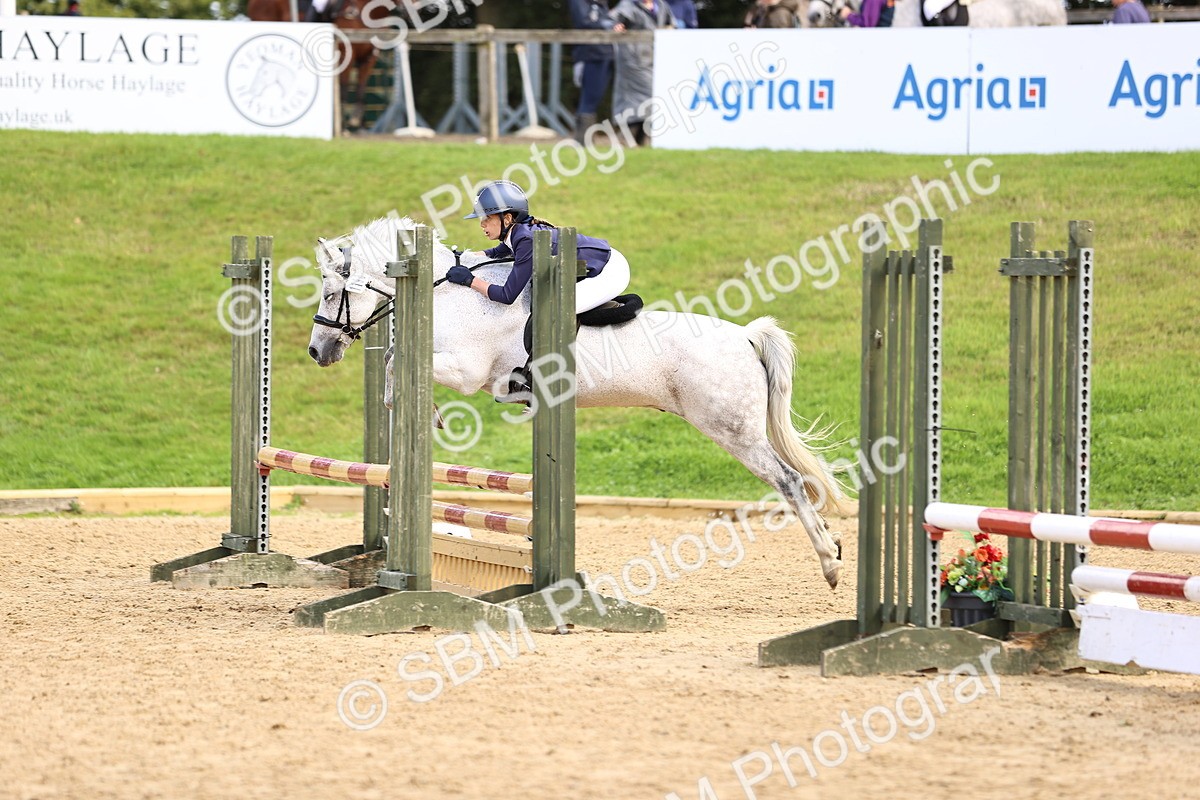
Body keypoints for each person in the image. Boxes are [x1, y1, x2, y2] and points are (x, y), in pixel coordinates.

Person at [448, 181, 631, 400]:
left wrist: (470, 280)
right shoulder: (516, 233)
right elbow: (497, 252)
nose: (481, 224)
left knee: (551, 310)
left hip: (610, 272)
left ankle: (541, 382)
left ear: (507, 218)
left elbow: (507, 296)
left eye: (487, 218)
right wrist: (463, 258)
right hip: (603, 261)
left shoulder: (524, 237)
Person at [609, 0, 676, 147]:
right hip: (632, 59)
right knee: (638, 100)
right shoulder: (628, 5)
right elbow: (611, 20)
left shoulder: (661, 5)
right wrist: (615, 27)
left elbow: (671, 23)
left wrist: (670, 30)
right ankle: (627, 139)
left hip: (653, 57)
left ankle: (640, 141)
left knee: (651, 99)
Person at [568, 1, 618, 143]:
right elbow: (584, 21)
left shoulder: (601, 2)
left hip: (606, 52)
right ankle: (583, 139)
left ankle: (587, 138)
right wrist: (605, 24)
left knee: (596, 97)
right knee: (589, 97)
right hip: (590, 54)